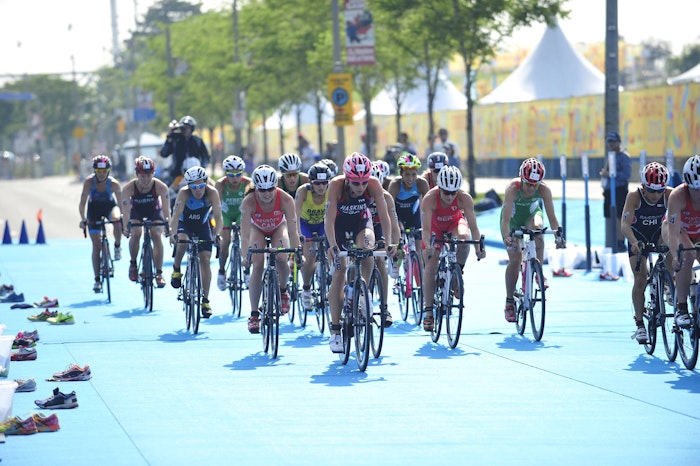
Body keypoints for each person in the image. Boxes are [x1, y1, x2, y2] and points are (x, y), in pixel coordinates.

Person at [325, 153, 396, 353]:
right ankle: (336, 331)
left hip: (361, 223)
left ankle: (362, 293)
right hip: (338, 226)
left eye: (364, 182)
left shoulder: (374, 184)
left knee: (368, 250)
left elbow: (385, 216)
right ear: (347, 178)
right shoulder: (336, 185)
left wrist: (389, 243)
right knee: (339, 272)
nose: (361, 187)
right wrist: (333, 245)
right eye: (356, 183)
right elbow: (329, 220)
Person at [500, 158, 565, 323]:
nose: (531, 188)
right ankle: (509, 302)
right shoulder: (512, 189)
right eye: (528, 184)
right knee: (515, 259)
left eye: (535, 185)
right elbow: (505, 221)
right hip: (512, 221)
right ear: (521, 178)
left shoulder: (544, 190)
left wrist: (558, 236)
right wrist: (507, 236)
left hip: (531, 215)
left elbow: (552, 218)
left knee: (538, 229)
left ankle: (538, 271)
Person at [420, 166, 485, 331]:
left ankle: (457, 274)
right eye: (446, 192)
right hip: (434, 228)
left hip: (454, 224)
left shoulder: (464, 198)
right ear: (439, 188)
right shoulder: (429, 198)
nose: (450, 196)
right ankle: (428, 311)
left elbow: (474, 227)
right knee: (430, 266)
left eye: (453, 192)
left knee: (464, 238)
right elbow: (425, 231)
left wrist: (478, 247)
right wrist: (428, 246)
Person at [240, 165, 301, 333]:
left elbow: (293, 231)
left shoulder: (286, 199)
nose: (266, 193)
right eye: (262, 190)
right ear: (256, 188)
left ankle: (283, 290)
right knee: (257, 265)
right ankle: (254, 315)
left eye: (270, 189)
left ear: (276, 186)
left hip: (278, 227)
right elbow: (244, 235)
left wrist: (297, 250)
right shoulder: (249, 201)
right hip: (257, 229)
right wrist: (245, 255)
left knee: (282, 258)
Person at [620, 162, 672, 344]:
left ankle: (667, 281)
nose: (656, 195)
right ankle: (640, 324)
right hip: (638, 236)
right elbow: (625, 225)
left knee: (672, 245)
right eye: (651, 190)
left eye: (660, 191)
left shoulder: (670, 195)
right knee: (641, 278)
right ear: (643, 186)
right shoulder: (634, 196)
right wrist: (634, 242)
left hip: (659, 234)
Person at [169, 166, 223, 319]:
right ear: (188, 186)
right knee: (183, 241)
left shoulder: (212, 193)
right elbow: (175, 216)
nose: (198, 190)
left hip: (202, 226)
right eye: (193, 187)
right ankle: (176, 268)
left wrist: (217, 234)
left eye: (201, 185)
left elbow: (218, 217)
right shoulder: (183, 193)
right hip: (184, 224)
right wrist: (173, 234)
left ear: (206, 182)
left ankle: (205, 300)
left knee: (205, 259)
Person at [661, 155, 700, 329]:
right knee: (688, 254)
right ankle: (681, 308)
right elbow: (674, 232)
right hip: (676, 229)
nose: (698, 194)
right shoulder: (677, 196)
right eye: (694, 189)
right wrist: (675, 256)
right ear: (687, 185)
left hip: (697, 231)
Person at [121, 156, 171, 287]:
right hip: (136, 212)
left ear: (153, 174)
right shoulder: (128, 188)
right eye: (142, 176)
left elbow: (167, 211)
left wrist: (168, 226)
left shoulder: (161, 187)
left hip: (154, 212)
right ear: (136, 174)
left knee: (156, 235)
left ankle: (159, 273)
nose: (146, 180)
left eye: (149, 176)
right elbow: (126, 212)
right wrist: (126, 227)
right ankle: (133, 263)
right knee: (136, 233)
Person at [78, 155, 124, 293]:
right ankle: (97, 279)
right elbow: (82, 203)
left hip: (109, 207)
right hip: (94, 210)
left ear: (108, 171)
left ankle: (117, 246)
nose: (102, 174)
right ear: (95, 171)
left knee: (116, 220)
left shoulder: (114, 184)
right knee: (96, 245)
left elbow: (122, 204)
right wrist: (83, 219)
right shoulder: (88, 182)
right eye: (99, 171)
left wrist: (123, 218)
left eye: (104, 171)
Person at [295, 163, 332, 311]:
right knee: (309, 258)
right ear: (311, 183)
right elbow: (295, 216)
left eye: (324, 183)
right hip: (306, 225)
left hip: (323, 224)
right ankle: (306, 288)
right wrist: (298, 235)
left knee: (332, 251)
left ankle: (328, 277)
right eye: (317, 183)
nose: (321, 187)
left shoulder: (331, 190)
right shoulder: (303, 191)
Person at [369, 160, 401, 326]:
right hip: (360, 227)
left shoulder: (386, 197)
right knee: (356, 259)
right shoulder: (357, 196)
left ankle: (384, 307)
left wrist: (396, 245)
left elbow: (394, 225)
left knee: (380, 261)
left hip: (379, 228)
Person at [215, 155, 251, 291]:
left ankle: (247, 271)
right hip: (226, 214)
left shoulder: (248, 183)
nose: (235, 178)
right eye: (231, 175)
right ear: (226, 174)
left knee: (245, 238)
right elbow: (216, 205)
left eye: (238, 174)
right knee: (225, 242)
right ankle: (221, 271)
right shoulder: (220, 184)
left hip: (241, 213)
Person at [600, 131, 631, 252]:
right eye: (609, 141)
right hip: (609, 190)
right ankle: (615, 240)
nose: (611, 144)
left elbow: (626, 175)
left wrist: (610, 174)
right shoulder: (611, 155)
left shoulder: (624, 156)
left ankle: (620, 241)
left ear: (619, 142)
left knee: (619, 216)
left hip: (619, 190)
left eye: (613, 141)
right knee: (611, 216)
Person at [388, 153, 430, 243]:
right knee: (398, 239)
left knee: (419, 247)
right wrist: (396, 224)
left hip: (414, 215)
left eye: (413, 174)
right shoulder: (395, 184)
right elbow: (389, 209)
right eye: (407, 174)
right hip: (398, 215)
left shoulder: (422, 183)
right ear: (401, 173)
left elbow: (429, 207)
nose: (410, 179)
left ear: (417, 173)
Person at [160, 115, 210, 183]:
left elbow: (205, 156)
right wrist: (169, 137)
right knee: (167, 182)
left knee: (209, 184)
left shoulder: (197, 140)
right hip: (177, 173)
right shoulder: (175, 140)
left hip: (196, 174)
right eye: (184, 127)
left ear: (192, 128)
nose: (186, 130)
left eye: (188, 127)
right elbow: (164, 154)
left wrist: (202, 167)